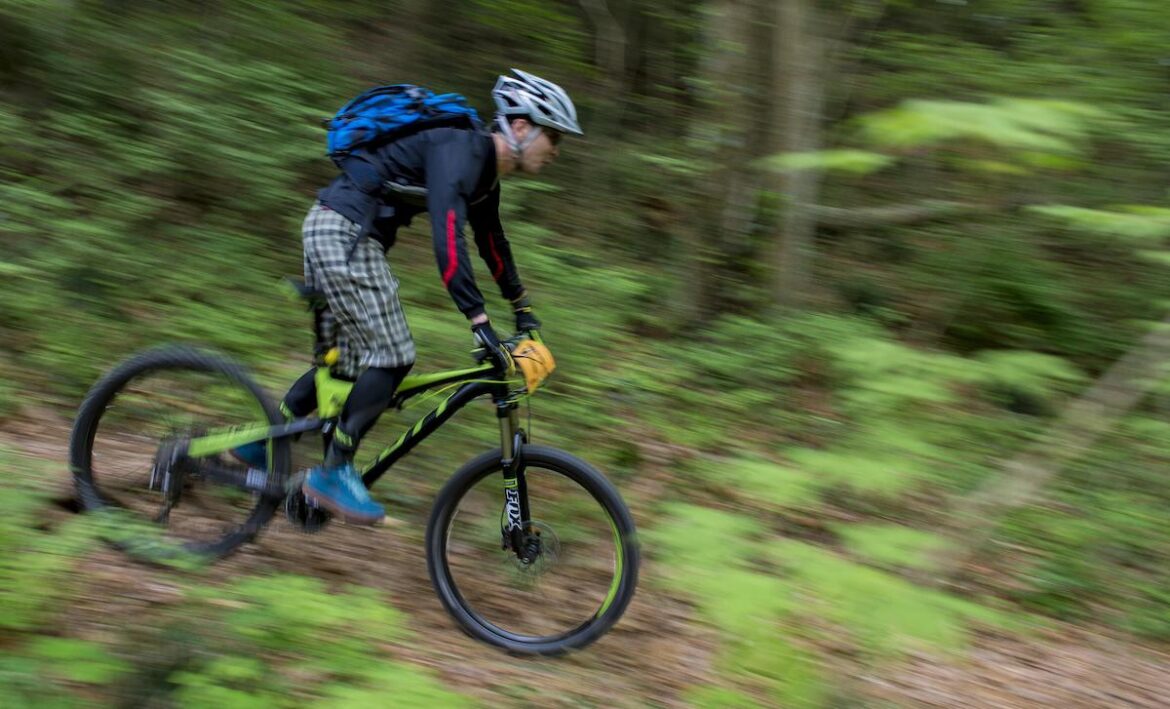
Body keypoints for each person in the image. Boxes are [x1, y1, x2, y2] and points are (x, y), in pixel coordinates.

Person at [235, 69, 581, 524]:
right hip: (343, 235)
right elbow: (449, 238)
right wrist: (478, 321)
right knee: (394, 355)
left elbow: (492, 244)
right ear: (520, 127)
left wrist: (523, 309)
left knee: (353, 366)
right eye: (552, 135)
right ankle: (335, 471)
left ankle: (263, 442)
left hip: (337, 231)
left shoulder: (481, 173)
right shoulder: (462, 150)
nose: (556, 149)